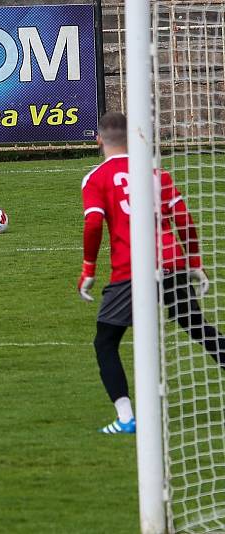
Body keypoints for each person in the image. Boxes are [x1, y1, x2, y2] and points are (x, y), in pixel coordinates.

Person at [78, 111, 225, 434]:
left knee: (106, 342)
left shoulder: (96, 178)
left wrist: (88, 268)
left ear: (99, 139)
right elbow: (184, 220)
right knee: (197, 326)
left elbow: (92, 224)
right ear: (133, 137)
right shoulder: (156, 173)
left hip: (132, 269)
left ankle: (127, 418)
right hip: (171, 263)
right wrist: (195, 263)